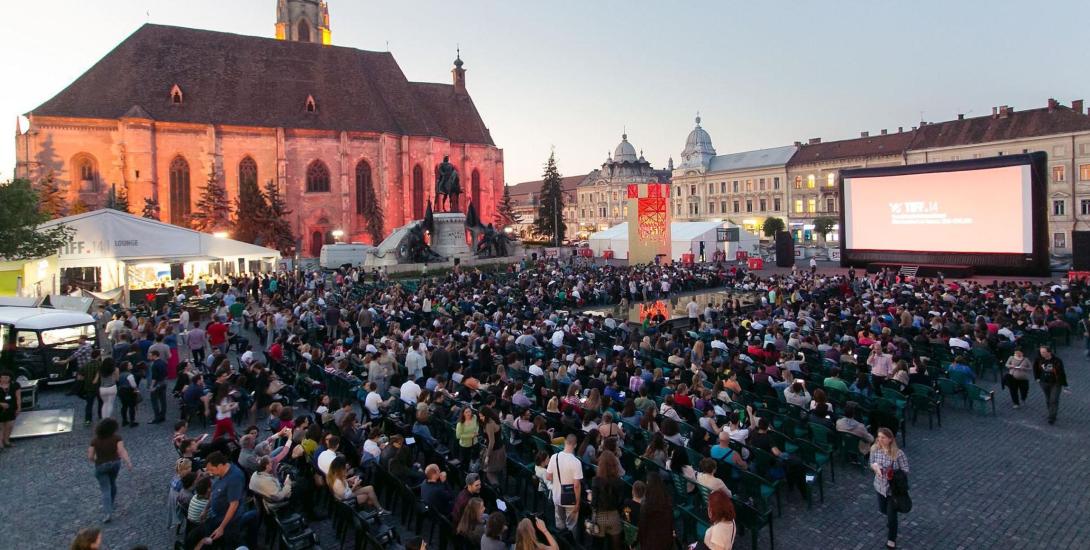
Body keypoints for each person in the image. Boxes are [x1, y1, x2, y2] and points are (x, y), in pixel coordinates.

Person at [87, 418, 133, 523]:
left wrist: (97, 461)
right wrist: (128, 462)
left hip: (101, 466)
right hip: (115, 464)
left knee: (105, 489)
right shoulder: (117, 438)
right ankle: (111, 503)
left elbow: (90, 456)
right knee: (112, 483)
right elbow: (121, 451)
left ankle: (108, 512)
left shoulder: (95, 440)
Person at [870, 427, 909, 549]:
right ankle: (891, 517)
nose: (880, 439)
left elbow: (906, 470)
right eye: (879, 437)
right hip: (880, 487)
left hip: (893, 490)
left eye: (883, 437)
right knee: (883, 510)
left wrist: (892, 473)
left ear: (890, 439)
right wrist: (875, 467)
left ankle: (891, 539)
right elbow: (871, 463)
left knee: (892, 517)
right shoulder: (874, 449)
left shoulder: (898, 454)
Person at [204, 451, 247, 546]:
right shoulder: (220, 473)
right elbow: (214, 492)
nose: (210, 473)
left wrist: (222, 527)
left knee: (231, 542)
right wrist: (206, 509)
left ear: (219, 466)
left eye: (211, 470)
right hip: (218, 516)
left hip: (230, 521)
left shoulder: (234, 479)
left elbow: (234, 505)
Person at [546, 434, 583, 531]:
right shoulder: (576, 462)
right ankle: (571, 544)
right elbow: (576, 486)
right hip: (570, 499)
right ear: (575, 445)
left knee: (559, 525)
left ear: (565, 442)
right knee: (571, 526)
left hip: (557, 496)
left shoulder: (554, 457)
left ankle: (560, 542)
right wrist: (577, 503)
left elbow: (548, 477)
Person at [591, 450, 627, 550]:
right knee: (616, 546)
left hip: (599, 516)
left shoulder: (595, 480)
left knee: (598, 545)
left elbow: (594, 502)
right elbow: (621, 503)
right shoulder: (619, 482)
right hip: (614, 516)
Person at [1033, 346, 1068, 425]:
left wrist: (1065, 385)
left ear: (1049, 352)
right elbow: (1035, 368)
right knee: (1048, 399)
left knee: (1054, 399)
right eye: (1041, 352)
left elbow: (1061, 373)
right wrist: (1037, 378)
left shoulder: (1057, 361)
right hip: (1044, 382)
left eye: (1043, 352)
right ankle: (1051, 412)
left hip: (1055, 383)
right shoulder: (1038, 359)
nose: (1042, 354)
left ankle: (1052, 416)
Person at [638, 474, 675, 550]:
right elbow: (671, 523)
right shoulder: (668, 501)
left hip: (651, 542)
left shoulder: (645, 504)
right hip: (665, 540)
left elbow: (642, 527)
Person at [0, 370, 22, 448]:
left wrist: (19, 407)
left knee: (9, 426)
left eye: (6, 378)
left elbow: (18, 397)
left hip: (11, 408)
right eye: (2, 378)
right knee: (1, 427)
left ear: (10, 378)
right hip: (1, 409)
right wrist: (1, 404)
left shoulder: (15, 385)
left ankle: (6, 441)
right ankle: (1, 444)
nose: (4, 379)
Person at [116, 362, 139, 427]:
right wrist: (137, 390)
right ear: (126, 367)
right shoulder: (130, 375)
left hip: (121, 391)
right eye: (130, 365)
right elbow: (133, 385)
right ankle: (132, 421)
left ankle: (124, 420)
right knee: (131, 406)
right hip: (129, 391)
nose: (131, 365)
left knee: (124, 406)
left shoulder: (120, 374)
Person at [148, 350, 168, 424]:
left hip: (157, 384)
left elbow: (154, 377)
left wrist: (152, 386)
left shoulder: (154, 365)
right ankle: (162, 416)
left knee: (154, 401)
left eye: (151, 355)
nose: (149, 357)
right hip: (163, 382)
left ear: (155, 355)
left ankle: (157, 418)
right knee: (163, 401)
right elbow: (166, 373)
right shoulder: (163, 362)